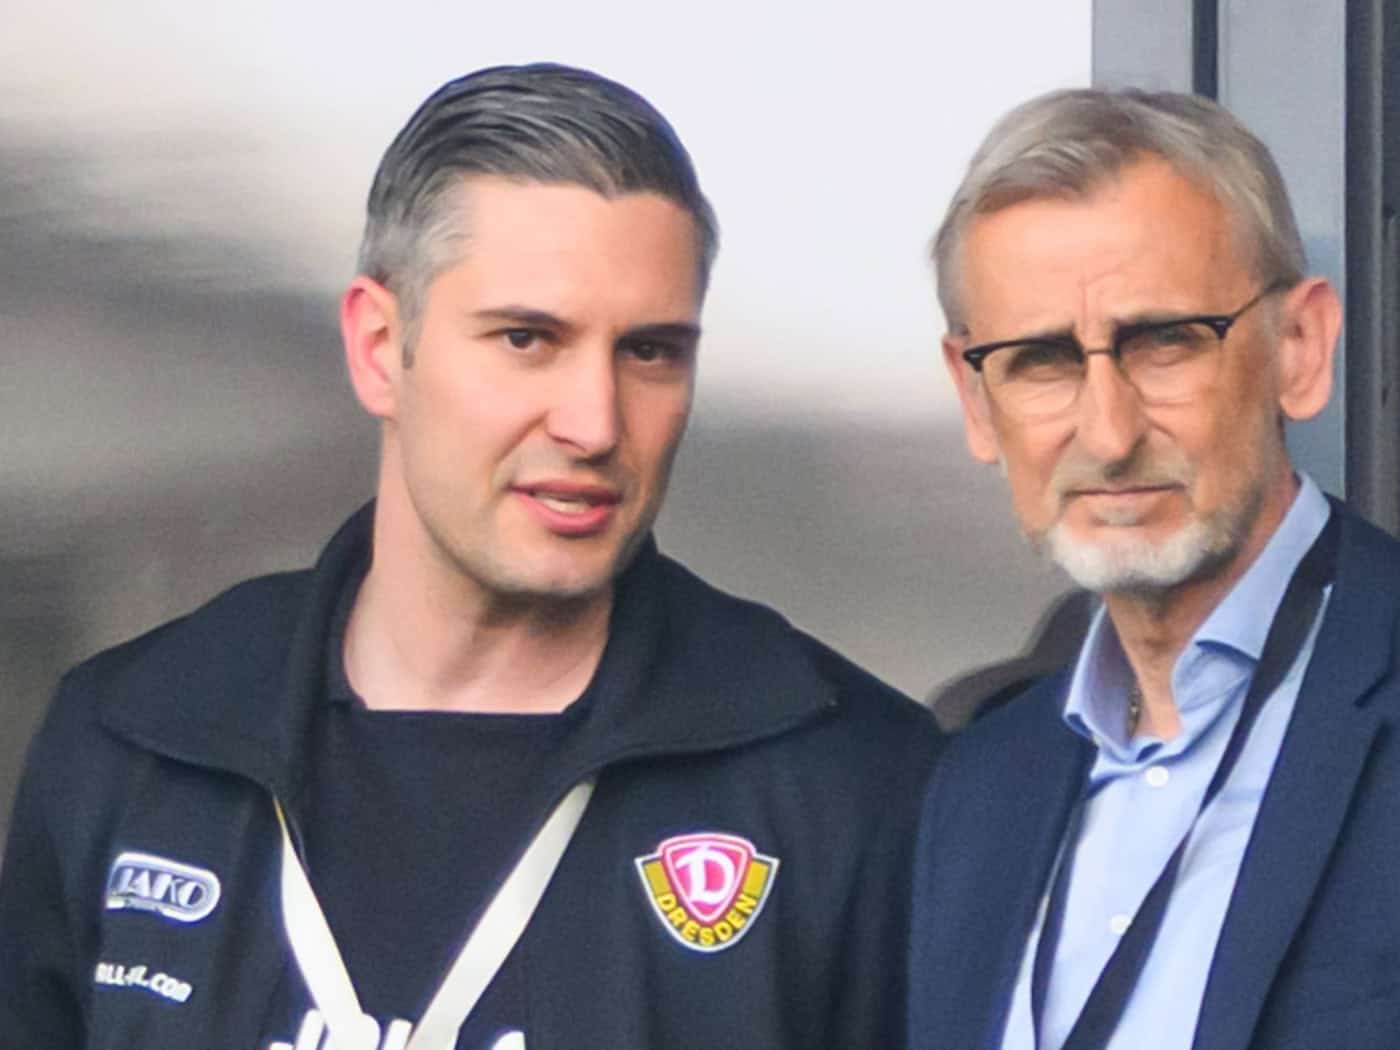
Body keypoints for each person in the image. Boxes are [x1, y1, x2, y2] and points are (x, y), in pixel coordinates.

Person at [0, 64, 940, 1050]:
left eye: (650, 352)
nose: (592, 423)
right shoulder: (137, 740)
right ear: (376, 346)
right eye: (527, 339)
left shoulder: (850, 782)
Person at [908, 87, 1400, 1050]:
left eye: (1166, 342)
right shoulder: (975, 789)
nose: (1109, 432)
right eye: (1042, 359)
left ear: (1300, 348)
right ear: (976, 400)